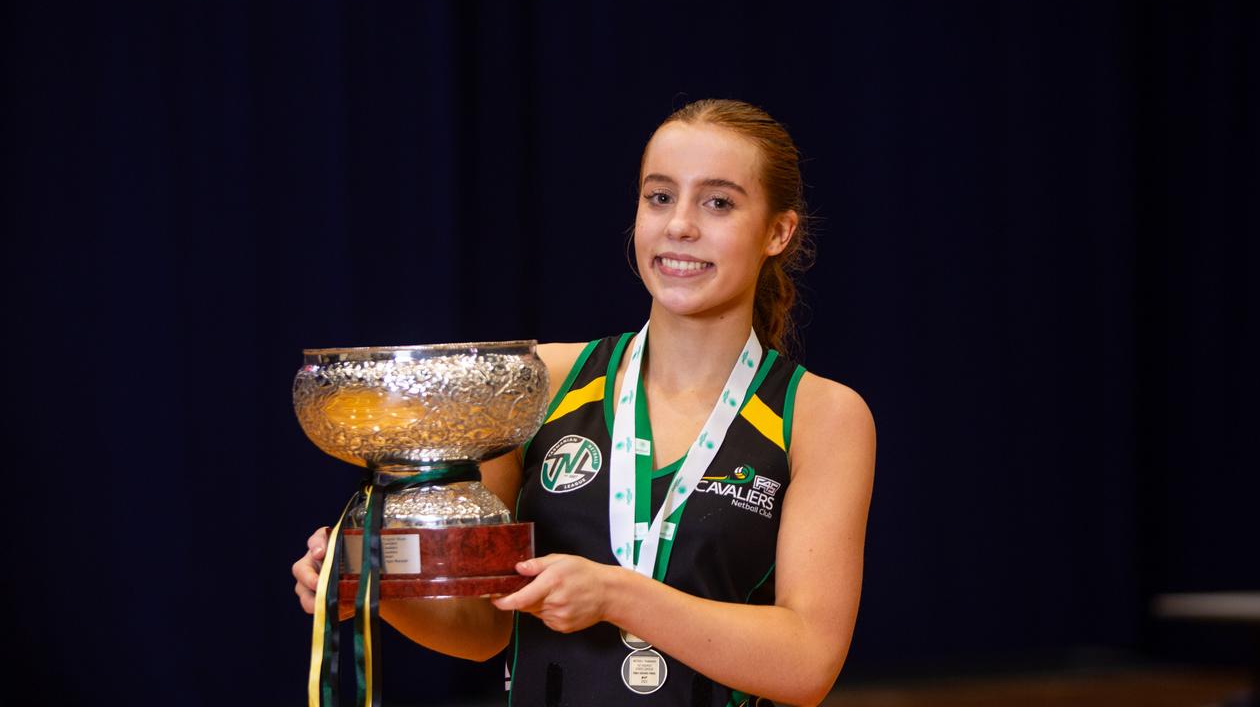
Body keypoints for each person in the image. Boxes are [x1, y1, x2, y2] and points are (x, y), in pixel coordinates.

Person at [293, 98, 875, 707]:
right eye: (660, 196)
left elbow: (808, 661)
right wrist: (375, 588)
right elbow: (485, 629)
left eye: (718, 202)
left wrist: (617, 596)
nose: (679, 224)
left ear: (778, 232)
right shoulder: (541, 379)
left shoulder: (819, 414)